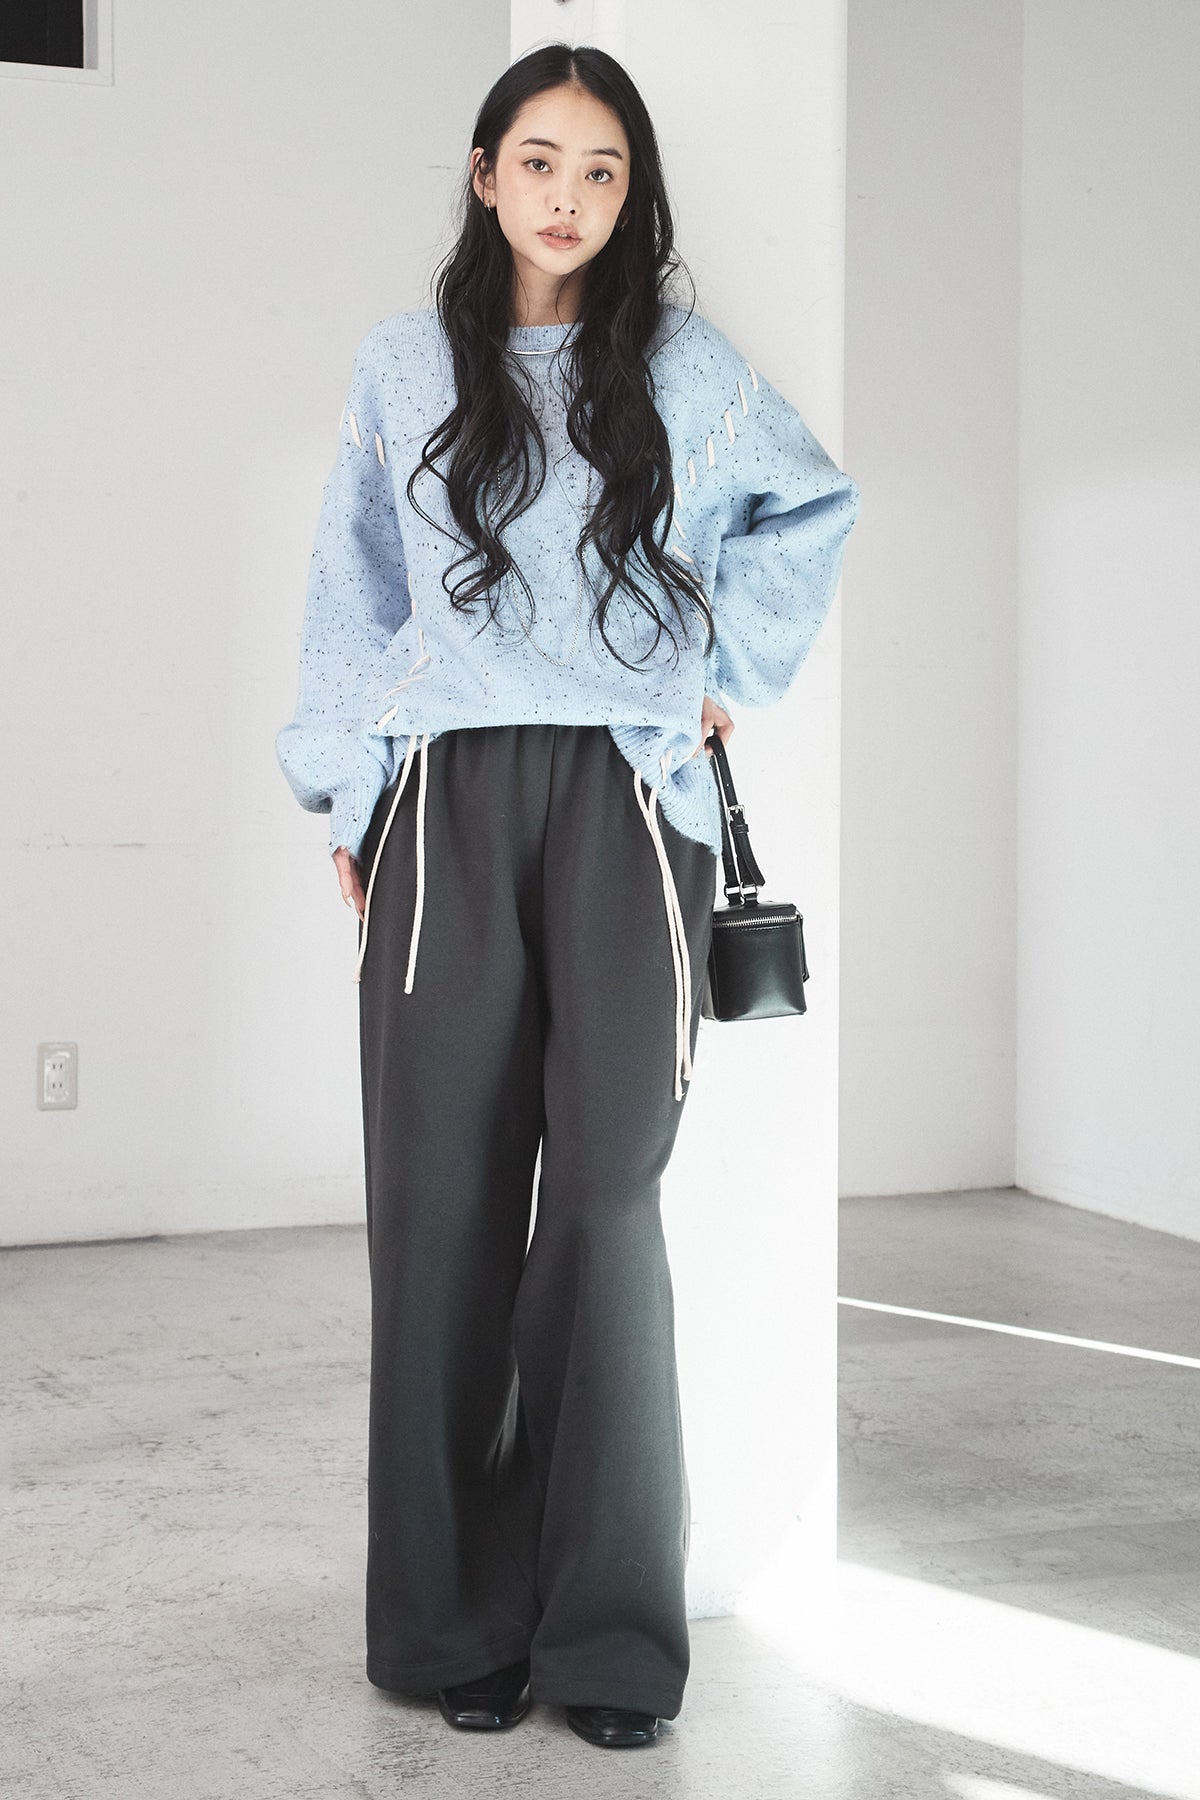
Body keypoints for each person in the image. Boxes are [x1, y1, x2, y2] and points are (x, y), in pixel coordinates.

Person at [276, 40, 860, 1752]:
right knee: (440, 1212)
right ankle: (453, 1624)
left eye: (603, 170)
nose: (569, 196)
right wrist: (350, 786)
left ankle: (605, 1642)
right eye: (540, 160)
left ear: (631, 194)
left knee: (605, 1211)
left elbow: (811, 507)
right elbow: (351, 587)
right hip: (444, 804)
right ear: (485, 174)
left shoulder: (679, 366)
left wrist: (718, 675)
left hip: (627, 801)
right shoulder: (403, 365)